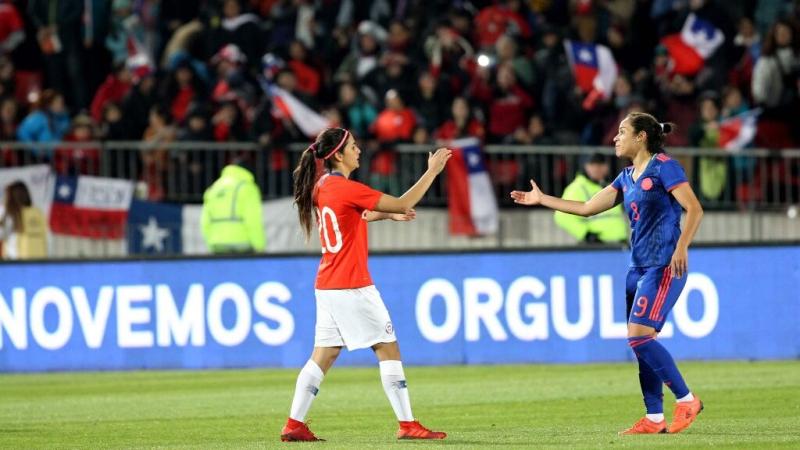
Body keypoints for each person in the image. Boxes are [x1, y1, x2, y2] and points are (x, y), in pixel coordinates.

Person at [511, 112, 704, 435]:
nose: (616, 138)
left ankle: (686, 399)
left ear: (641, 137)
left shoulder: (664, 167)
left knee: (638, 336)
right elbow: (587, 209)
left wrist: (682, 246)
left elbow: (695, 208)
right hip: (636, 267)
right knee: (643, 341)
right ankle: (654, 418)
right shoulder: (626, 176)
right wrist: (543, 199)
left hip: (664, 265)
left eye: (622, 132)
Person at [282, 127, 451, 442]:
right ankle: (407, 424)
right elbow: (403, 202)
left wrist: (383, 217)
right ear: (339, 155)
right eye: (354, 146)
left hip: (328, 284)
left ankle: (294, 423)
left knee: (325, 354)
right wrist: (432, 172)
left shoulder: (323, 187)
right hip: (352, 285)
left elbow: (350, 218)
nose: (359, 151)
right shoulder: (348, 188)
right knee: (387, 346)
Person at [554, 153, 628, 244]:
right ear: (585, 167)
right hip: (597, 245)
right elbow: (561, 215)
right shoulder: (577, 187)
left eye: (601, 164)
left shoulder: (610, 185)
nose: (597, 168)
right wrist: (586, 234)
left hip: (619, 243)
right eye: (592, 164)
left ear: (607, 167)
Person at [200, 160, 265, 254]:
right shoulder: (248, 188)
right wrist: (260, 246)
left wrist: (211, 243)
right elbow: (253, 220)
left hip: (217, 244)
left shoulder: (213, 188)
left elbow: (204, 222)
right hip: (242, 243)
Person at [0, 181, 47, 260]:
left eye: (6, 196)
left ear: (11, 198)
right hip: (39, 261)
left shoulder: (12, 215)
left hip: (16, 262)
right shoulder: (38, 212)